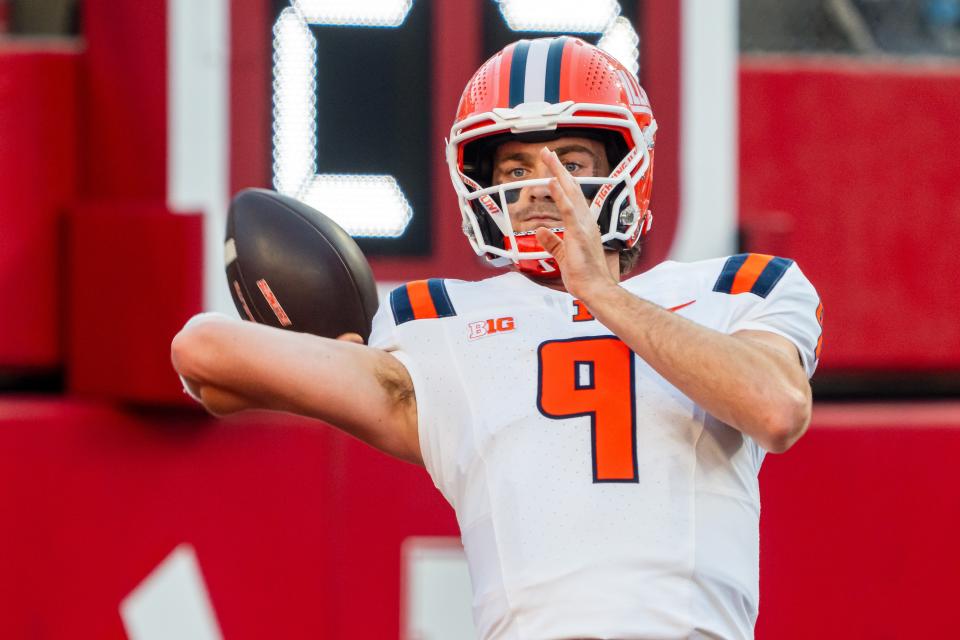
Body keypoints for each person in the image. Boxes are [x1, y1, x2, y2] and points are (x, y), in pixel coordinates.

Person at [172, 37, 822, 640]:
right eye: (513, 168)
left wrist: (601, 294)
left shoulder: (738, 287)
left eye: (569, 162)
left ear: (629, 166)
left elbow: (776, 406)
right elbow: (204, 352)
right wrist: (338, 355)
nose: (541, 190)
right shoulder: (439, 324)